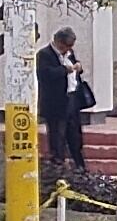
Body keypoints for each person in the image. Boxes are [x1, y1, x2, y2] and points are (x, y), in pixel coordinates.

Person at [36, 27, 92, 177]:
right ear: (58, 42)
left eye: (70, 46)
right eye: (65, 46)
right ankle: (57, 165)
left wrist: (78, 68)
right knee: (57, 135)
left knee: (74, 135)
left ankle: (80, 166)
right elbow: (44, 75)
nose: (67, 49)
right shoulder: (44, 55)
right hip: (55, 102)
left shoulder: (70, 54)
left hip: (72, 99)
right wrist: (63, 70)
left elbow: (74, 70)